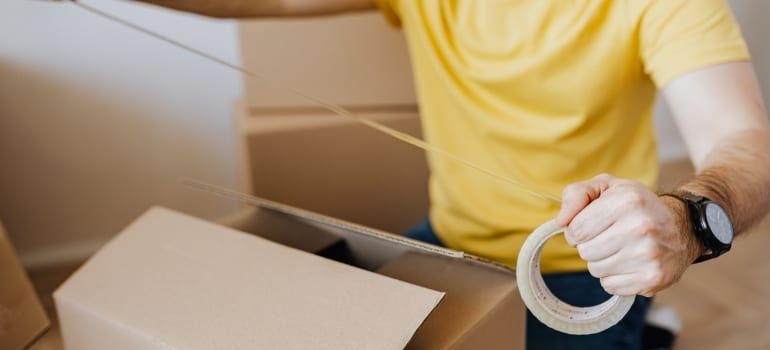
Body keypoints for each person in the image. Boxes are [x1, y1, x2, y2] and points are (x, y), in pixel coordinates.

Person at [73, 0, 770, 348]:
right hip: (446, 239)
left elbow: (747, 143)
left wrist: (687, 219)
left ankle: (644, 327)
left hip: (584, 274)